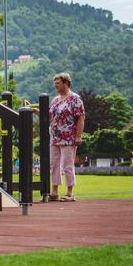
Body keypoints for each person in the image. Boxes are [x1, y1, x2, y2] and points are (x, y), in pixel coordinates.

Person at [48, 72, 85, 201]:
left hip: (69, 136)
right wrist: (35, 111)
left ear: (66, 83)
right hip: (55, 137)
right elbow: (49, 116)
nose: (55, 86)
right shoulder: (55, 100)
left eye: (58, 83)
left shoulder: (75, 98)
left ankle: (70, 192)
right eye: (55, 83)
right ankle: (54, 191)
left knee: (67, 164)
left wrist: (78, 136)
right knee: (54, 164)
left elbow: (80, 117)